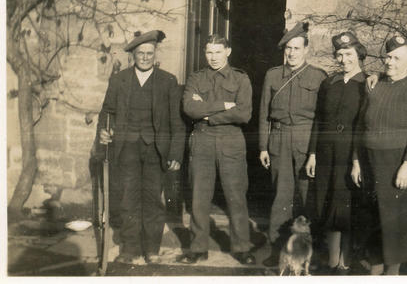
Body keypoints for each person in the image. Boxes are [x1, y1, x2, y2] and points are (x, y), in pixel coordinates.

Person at [97, 30, 185, 264]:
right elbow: (107, 111)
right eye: (140, 53)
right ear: (133, 55)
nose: (145, 57)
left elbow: (176, 120)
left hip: (156, 150)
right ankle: (130, 248)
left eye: (149, 53)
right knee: (128, 198)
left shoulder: (168, 80)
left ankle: (152, 249)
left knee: (153, 199)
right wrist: (103, 133)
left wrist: (176, 152)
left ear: (155, 54)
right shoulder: (120, 80)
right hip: (127, 148)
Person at [178, 36, 255, 265]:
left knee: (236, 196)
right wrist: (223, 105)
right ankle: (198, 247)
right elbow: (190, 109)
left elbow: (244, 113)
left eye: (218, 52)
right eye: (209, 52)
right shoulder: (196, 77)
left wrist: (208, 113)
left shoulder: (241, 79)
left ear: (228, 51)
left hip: (231, 140)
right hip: (201, 140)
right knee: (199, 197)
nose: (213, 57)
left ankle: (241, 247)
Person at [351, 36, 407, 275]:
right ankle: (375, 270)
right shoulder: (375, 83)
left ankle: (392, 273)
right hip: (370, 162)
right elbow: (361, 126)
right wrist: (356, 161)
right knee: (373, 219)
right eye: (388, 57)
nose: (389, 62)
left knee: (395, 222)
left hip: (395, 163)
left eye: (396, 58)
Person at [258, 22, 327, 265]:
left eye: (297, 48)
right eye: (288, 48)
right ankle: (277, 250)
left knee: (309, 196)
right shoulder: (273, 75)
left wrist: (315, 152)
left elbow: (322, 119)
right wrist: (263, 146)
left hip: (305, 139)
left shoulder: (318, 77)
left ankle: (313, 252)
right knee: (281, 196)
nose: (292, 53)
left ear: (306, 49)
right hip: (278, 139)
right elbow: (264, 113)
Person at [306, 32, 367, 274]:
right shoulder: (328, 83)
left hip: (349, 154)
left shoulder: (368, 83)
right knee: (326, 201)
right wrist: (312, 153)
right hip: (326, 152)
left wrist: (357, 160)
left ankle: (346, 260)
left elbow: (366, 125)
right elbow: (318, 121)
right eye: (339, 55)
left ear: (359, 54)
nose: (343, 59)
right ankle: (333, 262)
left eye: (348, 54)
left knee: (346, 205)